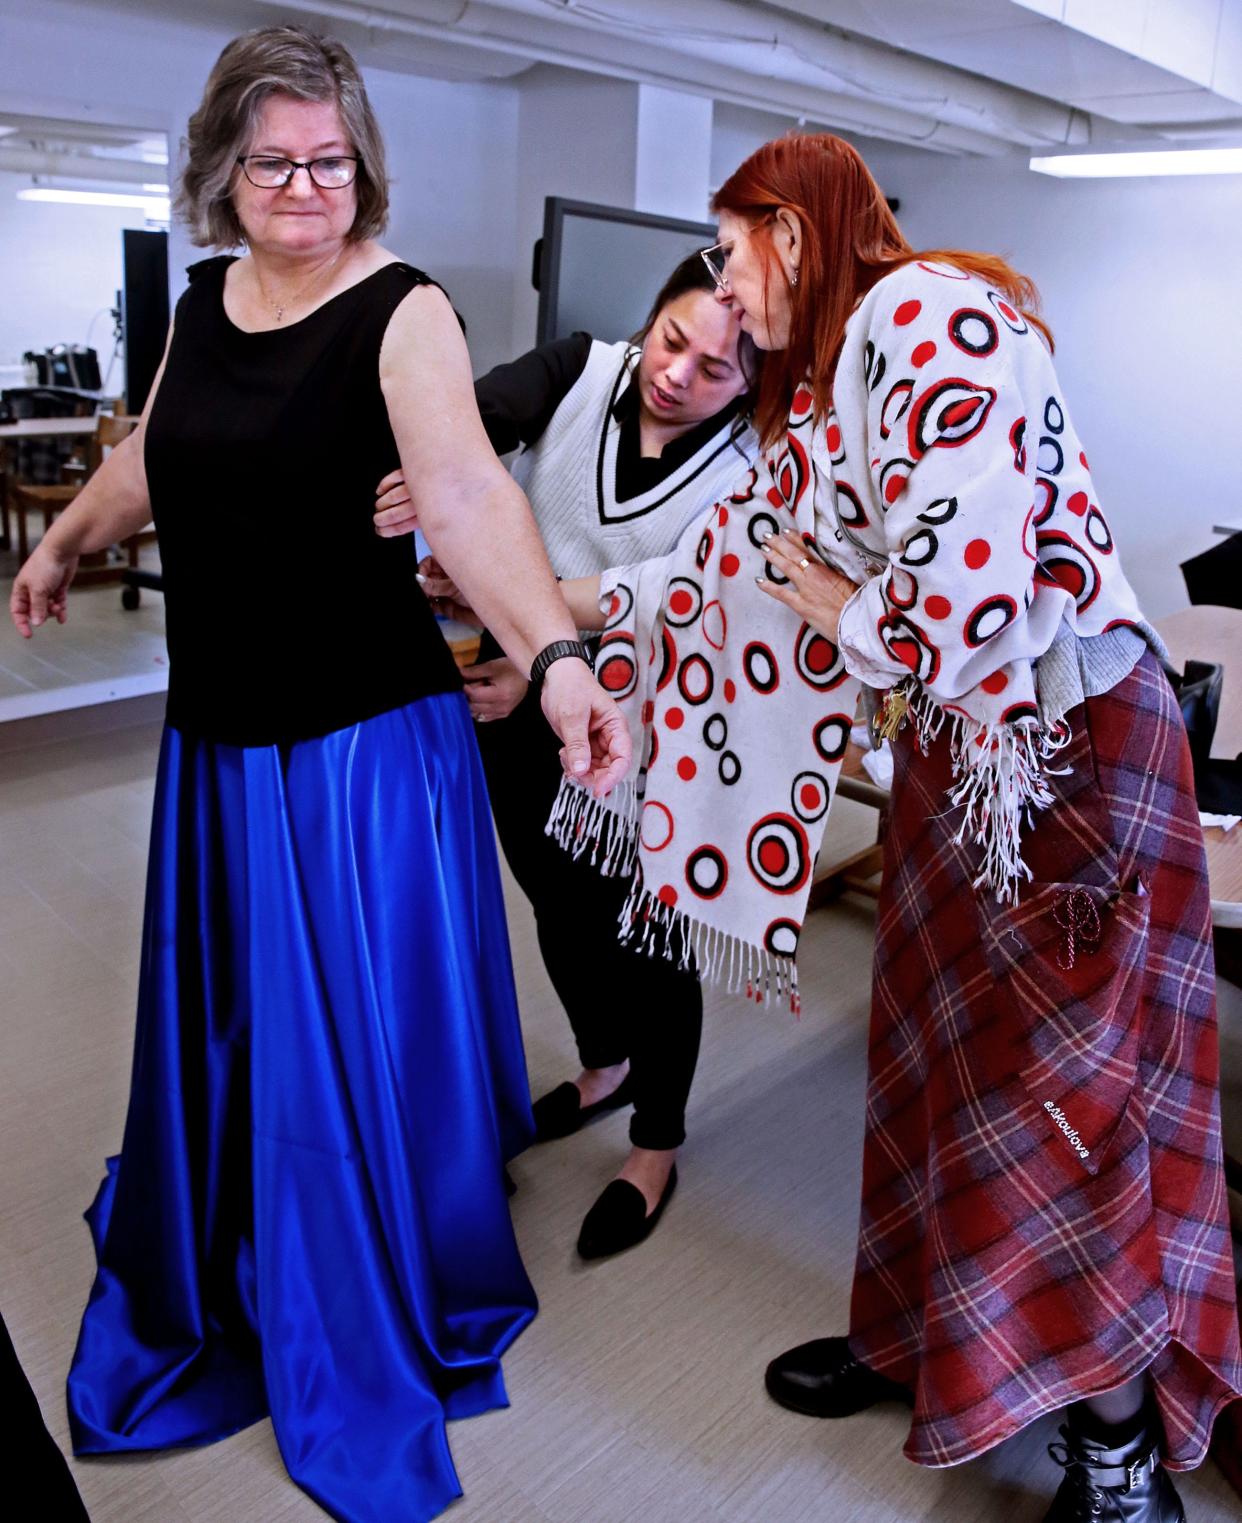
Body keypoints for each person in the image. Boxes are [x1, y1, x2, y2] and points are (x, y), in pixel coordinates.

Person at [541, 133, 1242, 1522]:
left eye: (731, 252)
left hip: (1066, 760)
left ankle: (1115, 1452)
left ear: (791, 231)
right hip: (956, 758)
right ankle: (919, 1335)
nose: (722, 291)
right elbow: (730, 562)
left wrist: (842, 615)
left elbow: (965, 600)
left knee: (1060, 1103)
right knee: (926, 1070)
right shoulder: (822, 395)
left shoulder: (930, 315)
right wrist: (557, 623)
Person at [8, 26, 627, 1523]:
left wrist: (552, 657)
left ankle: (355, 1264)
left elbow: (469, 497)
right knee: (239, 1022)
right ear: (226, 167)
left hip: (356, 747)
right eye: (274, 160)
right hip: (220, 740)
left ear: (363, 163)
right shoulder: (207, 301)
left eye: (329, 160)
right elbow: (155, 454)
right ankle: (246, 1226)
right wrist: (63, 536)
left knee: (334, 1038)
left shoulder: (400, 308)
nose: (303, 186)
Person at [372, 254, 760, 1258]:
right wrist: (423, 472)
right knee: (558, 900)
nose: (679, 373)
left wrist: (536, 651)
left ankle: (657, 1142)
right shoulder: (582, 368)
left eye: (717, 368)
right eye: (673, 339)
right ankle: (605, 1061)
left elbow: (686, 604)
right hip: (518, 713)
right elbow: (476, 420)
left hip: (656, 736)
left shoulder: (751, 473)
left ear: (755, 381)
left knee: (651, 933)